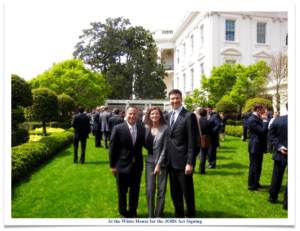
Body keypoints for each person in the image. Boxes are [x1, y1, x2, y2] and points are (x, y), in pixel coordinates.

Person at [166, 89, 198, 218]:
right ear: (169, 100)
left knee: (187, 192)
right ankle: (178, 214)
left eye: (177, 98)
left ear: (181, 99)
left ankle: (190, 216)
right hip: (171, 161)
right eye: (172, 98)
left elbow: (193, 141)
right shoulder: (169, 116)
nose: (175, 101)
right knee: (175, 192)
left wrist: (190, 162)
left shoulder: (189, 116)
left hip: (184, 161)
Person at [109, 105, 146, 218]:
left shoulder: (141, 128)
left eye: (134, 113)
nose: (132, 116)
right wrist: (112, 166)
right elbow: (112, 148)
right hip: (122, 166)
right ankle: (123, 212)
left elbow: (146, 145)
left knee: (135, 192)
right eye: (130, 113)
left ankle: (133, 212)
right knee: (122, 192)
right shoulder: (118, 128)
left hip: (137, 166)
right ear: (125, 114)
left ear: (137, 115)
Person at [144, 106, 168, 218]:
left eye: (156, 114)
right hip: (149, 161)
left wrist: (158, 164)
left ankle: (158, 214)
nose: (154, 116)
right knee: (149, 189)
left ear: (160, 115)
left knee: (161, 189)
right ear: (149, 116)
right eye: (152, 114)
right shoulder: (146, 128)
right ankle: (150, 215)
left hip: (162, 162)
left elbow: (165, 148)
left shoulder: (165, 128)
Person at [267, 103, 288, 210]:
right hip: (281, 152)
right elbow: (270, 135)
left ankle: (273, 197)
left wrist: (279, 146)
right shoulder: (279, 120)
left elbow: (270, 135)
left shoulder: (278, 120)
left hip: (280, 152)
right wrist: (280, 147)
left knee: (277, 176)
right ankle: (286, 203)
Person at [247, 103, 269, 191]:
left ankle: (256, 182)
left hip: (259, 145)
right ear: (258, 110)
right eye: (263, 110)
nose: (264, 112)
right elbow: (262, 130)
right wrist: (265, 121)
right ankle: (252, 185)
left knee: (258, 166)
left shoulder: (257, 118)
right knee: (254, 166)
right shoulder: (252, 119)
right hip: (255, 146)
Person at [197, 108, 213, 174]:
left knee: (193, 155)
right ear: (206, 113)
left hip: (196, 139)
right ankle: (202, 170)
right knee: (203, 155)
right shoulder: (208, 122)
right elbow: (211, 132)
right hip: (205, 139)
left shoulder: (196, 121)